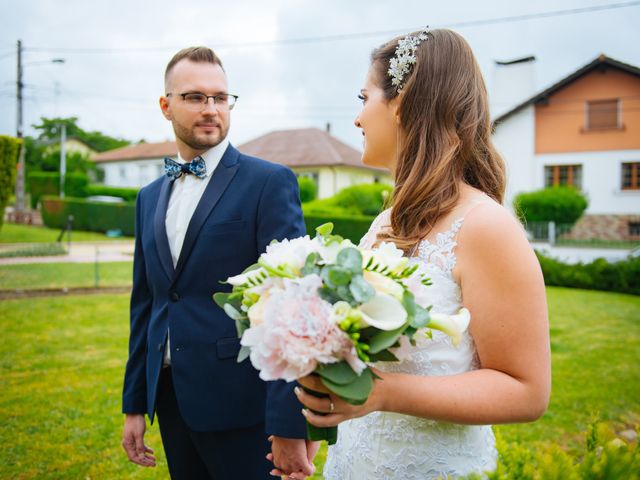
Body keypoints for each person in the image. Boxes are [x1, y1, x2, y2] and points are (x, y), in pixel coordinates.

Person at [294, 29, 551, 479]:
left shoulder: (484, 226)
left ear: (402, 100)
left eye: (363, 97)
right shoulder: (388, 220)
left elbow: (527, 391)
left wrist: (384, 393)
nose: (357, 118)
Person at [121, 46, 317, 480]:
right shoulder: (149, 197)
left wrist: (288, 423)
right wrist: (135, 402)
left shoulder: (269, 183)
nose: (211, 109)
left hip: (244, 408)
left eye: (220, 97)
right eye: (194, 97)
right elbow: (148, 303)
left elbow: (293, 304)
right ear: (165, 105)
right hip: (171, 400)